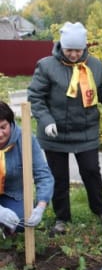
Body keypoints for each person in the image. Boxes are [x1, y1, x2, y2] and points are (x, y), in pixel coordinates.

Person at [27, 22, 102, 236]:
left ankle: (99, 209)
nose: (73, 54)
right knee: (58, 176)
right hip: (55, 133)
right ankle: (62, 217)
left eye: (78, 50)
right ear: (61, 46)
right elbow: (35, 97)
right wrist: (46, 120)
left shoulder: (95, 65)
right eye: (69, 50)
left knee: (91, 171)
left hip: (86, 131)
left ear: (85, 47)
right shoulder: (46, 66)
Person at [0, 100, 53, 235]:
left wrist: (40, 206)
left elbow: (43, 175)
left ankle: (8, 230)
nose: (0, 134)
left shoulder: (25, 140)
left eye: (3, 127)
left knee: (23, 220)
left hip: (12, 195)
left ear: (11, 123)